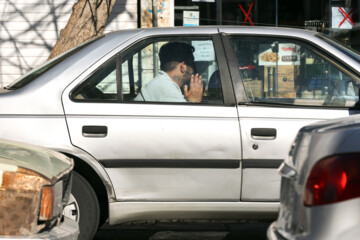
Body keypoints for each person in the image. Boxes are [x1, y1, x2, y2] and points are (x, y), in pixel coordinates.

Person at [134, 42, 203, 103]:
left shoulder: (163, 83)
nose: (194, 69)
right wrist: (194, 101)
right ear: (183, 67)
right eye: (192, 63)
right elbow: (186, 116)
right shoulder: (167, 90)